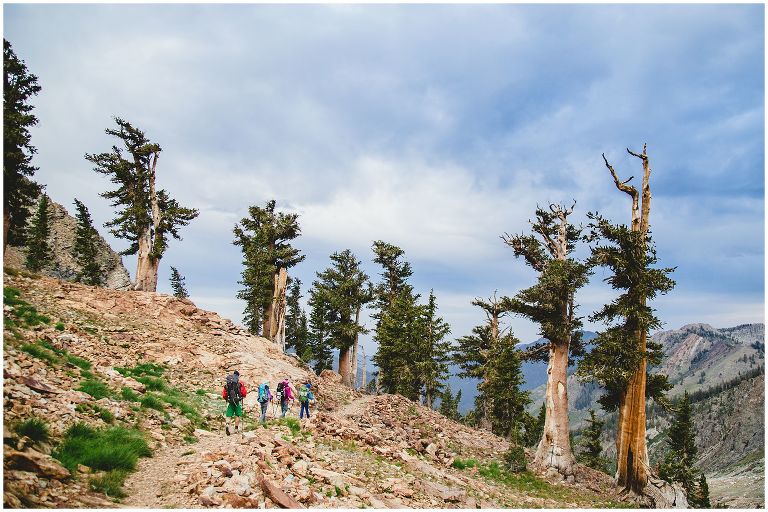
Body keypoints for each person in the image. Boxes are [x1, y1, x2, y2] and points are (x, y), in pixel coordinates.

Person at [222, 370, 247, 436]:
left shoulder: (228, 383)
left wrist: (226, 399)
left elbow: (224, 394)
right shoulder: (239, 383)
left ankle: (227, 424)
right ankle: (236, 429)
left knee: (228, 415)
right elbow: (244, 393)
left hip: (230, 401)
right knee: (237, 415)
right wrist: (242, 397)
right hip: (237, 401)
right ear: (238, 376)